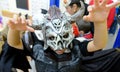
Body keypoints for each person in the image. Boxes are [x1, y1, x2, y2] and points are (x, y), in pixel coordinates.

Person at [0, 0, 120, 72]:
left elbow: (98, 44)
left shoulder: (76, 46)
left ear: (71, 33)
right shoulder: (37, 47)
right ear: (45, 36)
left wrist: (100, 23)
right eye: (52, 37)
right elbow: (14, 45)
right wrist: (14, 30)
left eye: (64, 36)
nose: (60, 46)